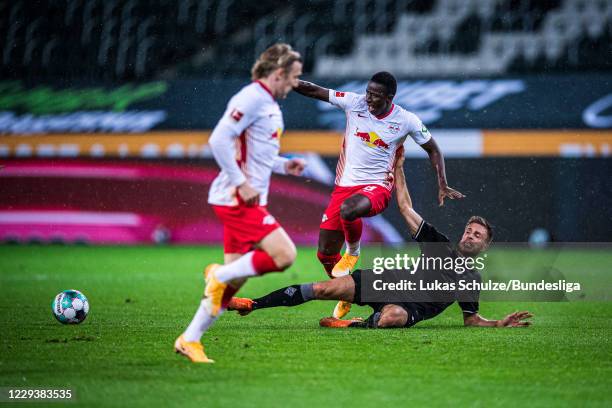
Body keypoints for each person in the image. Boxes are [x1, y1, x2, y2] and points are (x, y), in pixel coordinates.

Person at [227, 155, 533, 330]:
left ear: (485, 246)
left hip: (407, 307)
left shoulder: (470, 279)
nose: (470, 235)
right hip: (385, 282)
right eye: (469, 230)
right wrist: (398, 168)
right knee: (320, 289)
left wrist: (497, 323)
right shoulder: (439, 244)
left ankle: (354, 324)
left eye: (477, 235)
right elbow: (405, 208)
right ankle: (252, 304)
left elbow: (471, 320)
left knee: (393, 318)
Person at [293, 72, 465, 319]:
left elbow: (433, 149)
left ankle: (353, 252)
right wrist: (284, 81)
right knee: (325, 253)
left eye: (376, 95)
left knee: (349, 210)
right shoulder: (355, 103)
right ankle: (346, 293)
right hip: (344, 186)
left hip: (377, 186)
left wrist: (442, 183)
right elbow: (313, 89)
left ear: (390, 97)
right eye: (368, 92)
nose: (369, 99)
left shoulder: (406, 120)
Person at [175, 43, 306, 363]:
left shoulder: (268, 103)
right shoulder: (250, 98)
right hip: (236, 199)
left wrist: (282, 164)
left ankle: (189, 339)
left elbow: (256, 153)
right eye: (294, 77)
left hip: (246, 197)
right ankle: (217, 273)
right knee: (284, 255)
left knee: (233, 284)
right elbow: (218, 140)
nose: (296, 84)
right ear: (278, 74)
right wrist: (240, 183)